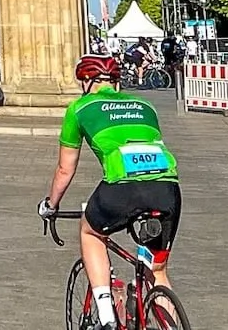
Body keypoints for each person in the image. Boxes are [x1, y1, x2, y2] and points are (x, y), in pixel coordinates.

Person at [40, 54, 181, 329]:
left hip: (121, 189)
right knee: (158, 270)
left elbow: (64, 170)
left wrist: (50, 205)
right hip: (167, 188)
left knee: (90, 231)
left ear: (86, 81)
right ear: (116, 83)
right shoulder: (145, 104)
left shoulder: (80, 108)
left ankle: (106, 316)